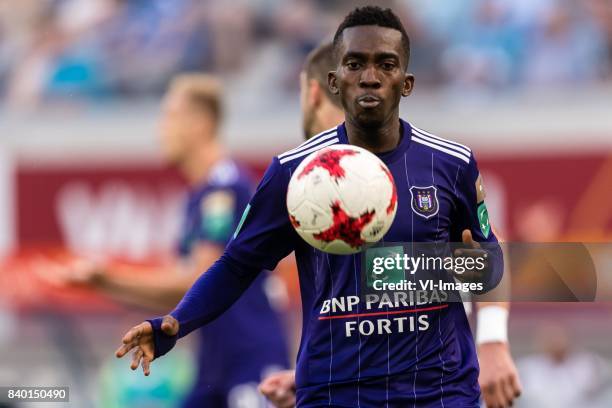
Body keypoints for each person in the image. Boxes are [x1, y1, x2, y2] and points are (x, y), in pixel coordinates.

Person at [116, 7, 508, 406]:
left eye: (385, 64)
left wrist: (492, 338)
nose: (370, 77)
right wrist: (174, 325)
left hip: (439, 393)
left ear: (406, 83)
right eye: (355, 64)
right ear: (335, 82)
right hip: (335, 393)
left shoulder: (451, 163)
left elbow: (488, 259)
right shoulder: (293, 173)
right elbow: (236, 265)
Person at [259, 41, 522, 408]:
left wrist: (492, 341)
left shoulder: (402, 158)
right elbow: (352, 306)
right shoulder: (309, 179)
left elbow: (490, 249)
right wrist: (315, 376)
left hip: (433, 386)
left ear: (315, 92)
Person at [51, 74, 289, 407]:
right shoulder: (199, 197)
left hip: (249, 362)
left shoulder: (225, 187)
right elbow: (181, 290)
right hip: (214, 366)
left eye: (170, 116)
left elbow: (197, 279)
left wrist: (109, 278)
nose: (160, 130)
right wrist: (100, 284)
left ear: (201, 124)